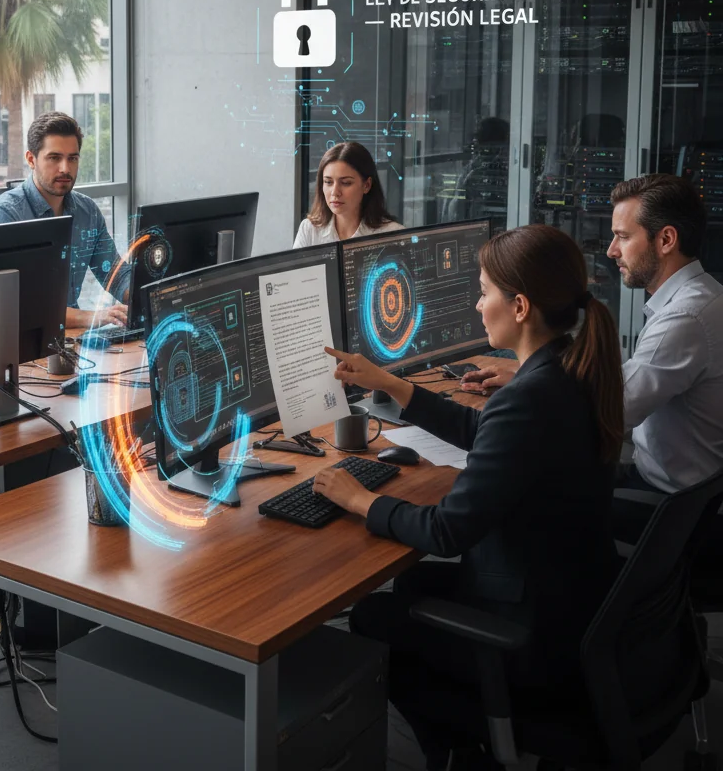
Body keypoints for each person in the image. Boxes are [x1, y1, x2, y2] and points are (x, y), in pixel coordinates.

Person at [313, 224, 623, 771]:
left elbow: (446, 532)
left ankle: (460, 752)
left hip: (531, 632)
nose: (478, 306)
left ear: (520, 306)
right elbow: (487, 434)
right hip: (571, 601)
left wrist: (359, 499)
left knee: (371, 616)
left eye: (484, 292)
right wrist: (391, 383)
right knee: (412, 583)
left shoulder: (530, 397)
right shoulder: (569, 371)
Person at [460, 175, 723, 554]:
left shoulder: (686, 319)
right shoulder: (703, 297)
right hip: (680, 491)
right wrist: (528, 376)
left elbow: (607, 412)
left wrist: (531, 391)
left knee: (515, 502)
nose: (612, 250)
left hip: (670, 506)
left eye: (623, 236)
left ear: (666, 240)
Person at [0, 111, 127, 329]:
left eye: (73, 158)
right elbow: (14, 305)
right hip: (23, 345)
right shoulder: (5, 215)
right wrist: (94, 317)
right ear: (31, 159)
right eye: (54, 158)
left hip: (71, 342)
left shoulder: (87, 212)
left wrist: (142, 296)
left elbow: (115, 274)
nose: (65, 169)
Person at [294, 141, 403, 247]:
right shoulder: (309, 230)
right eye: (328, 182)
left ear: (367, 185)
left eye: (346, 183)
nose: (335, 192)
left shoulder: (394, 235)